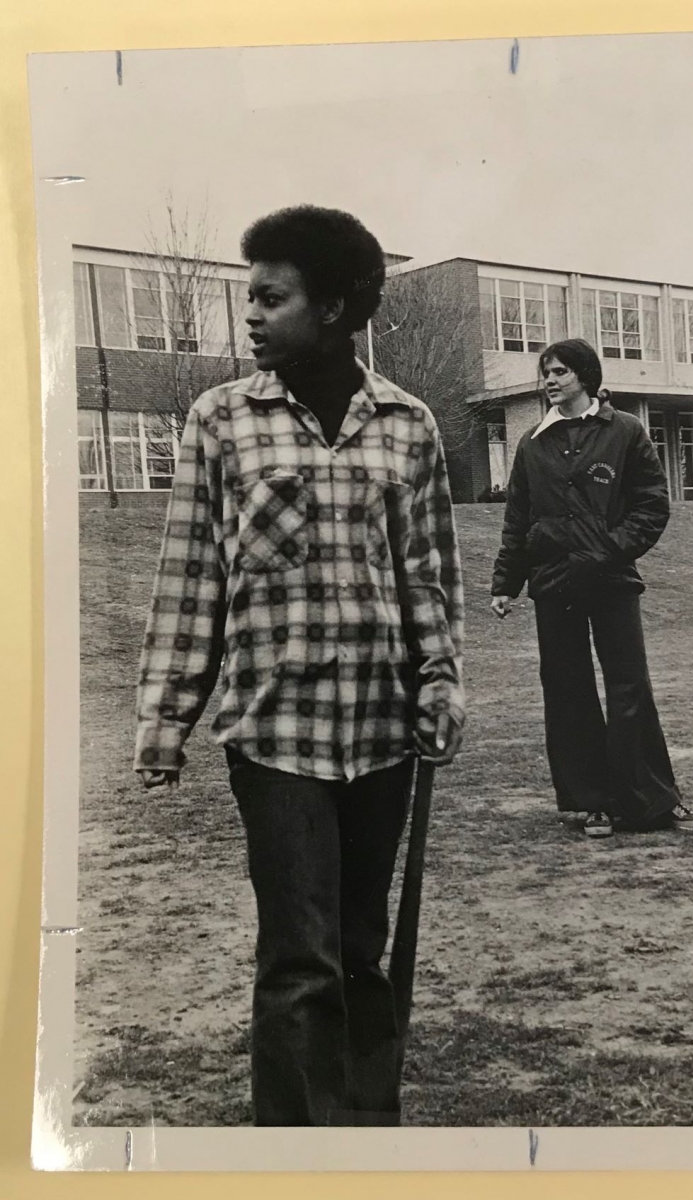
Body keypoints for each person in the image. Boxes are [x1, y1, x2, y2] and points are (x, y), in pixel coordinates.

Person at [133, 205, 465, 1126]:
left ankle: (364, 1138)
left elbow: (428, 576)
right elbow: (190, 578)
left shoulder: (408, 425)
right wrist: (166, 721)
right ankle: (291, 1156)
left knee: (360, 949)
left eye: (270, 298)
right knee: (299, 958)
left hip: (383, 732)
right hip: (273, 736)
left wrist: (439, 681)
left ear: (335, 307)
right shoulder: (219, 422)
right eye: (250, 296)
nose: (250, 314)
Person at [490, 338, 693, 840]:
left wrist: (605, 551)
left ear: (585, 375)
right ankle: (592, 803)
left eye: (560, 372)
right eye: (545, 373)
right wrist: (506, 582)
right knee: (567, 690)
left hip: (610, 580)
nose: (550, 381)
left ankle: (649, 800)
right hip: (553, 583)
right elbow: (518, 518)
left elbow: (652, 508)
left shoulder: (626, 431)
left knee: (629, 686)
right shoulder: (531, 443)